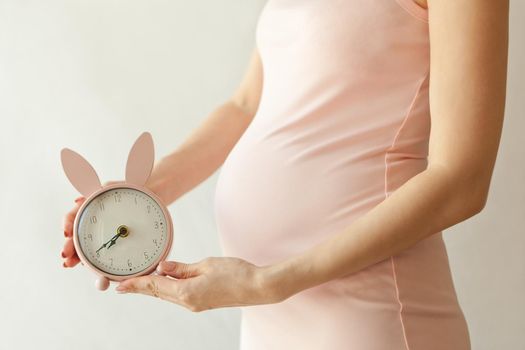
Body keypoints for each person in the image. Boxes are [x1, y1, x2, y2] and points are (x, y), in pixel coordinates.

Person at [61, 0, 509, 349]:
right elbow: (245, 106)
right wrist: (134, 199)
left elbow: (462, 181)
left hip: (370, 311)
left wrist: (273, 281)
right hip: (268, 314)